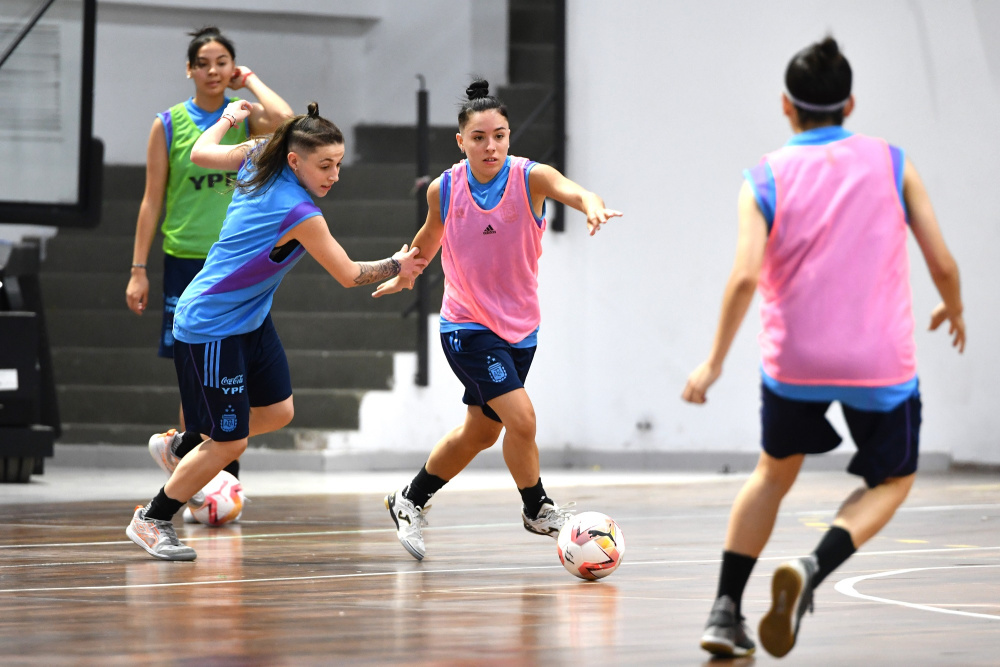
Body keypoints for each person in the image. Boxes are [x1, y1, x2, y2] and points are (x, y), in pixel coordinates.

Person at [683, 37, 965, 659]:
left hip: (795, 365)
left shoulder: (762, 176)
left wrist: (714, 362)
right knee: (893, 478)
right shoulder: (893, 162)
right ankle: (812, 566)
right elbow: (942, 262)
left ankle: (724, 611)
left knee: (771, 475)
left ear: (787, 106)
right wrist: (956, 305)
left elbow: (745, 278)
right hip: (879, 364)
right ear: (851, 103)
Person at [125, 100, 428, 560]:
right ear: (295, 160)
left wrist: (228, 119)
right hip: (212, 325)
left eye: (339, 164)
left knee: (278, 412)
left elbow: (203, 152)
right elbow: (348, 274)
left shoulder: (261, 152)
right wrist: (396, 263)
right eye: (324, 165)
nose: (334, 175)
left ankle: (183, 445)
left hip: (250, 318)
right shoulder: (298, 211)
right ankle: (152, 517)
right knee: (231, 441)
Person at [373, 79, 623, 561]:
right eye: (480, 137)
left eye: (500, 135)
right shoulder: (445, 189)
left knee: (482, 432)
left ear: (509, 137)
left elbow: (574, 191)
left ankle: (410, 499)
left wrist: (592, 204)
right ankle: (537, 508)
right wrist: (406, 272)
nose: (491, 146)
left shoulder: (531, 178)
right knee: (522, 417)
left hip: (520, 329)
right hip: (465, 326)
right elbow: (428, 238)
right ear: (461, 140)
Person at [124, 26, 293, 485]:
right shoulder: (169, 124)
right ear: (190, 70)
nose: (213, 70)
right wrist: (139, 269)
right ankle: (195, 471)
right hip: (186, 259)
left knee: (233, 372)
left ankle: (215, 471)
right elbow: (151, 200)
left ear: (232, 68)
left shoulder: (244, 118)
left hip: (236, 263)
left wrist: (252, 79)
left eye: (222, 62)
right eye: (204, 62)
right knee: (196, 372)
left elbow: (286, 120)